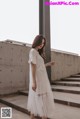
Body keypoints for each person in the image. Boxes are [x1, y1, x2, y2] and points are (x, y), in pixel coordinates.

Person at [27, 35, 55, 119]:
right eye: (41, 42)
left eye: (43, 43)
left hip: (42, 78)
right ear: (37, 41)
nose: (42, 44)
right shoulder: (32, 51)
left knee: (37, 100)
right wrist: (34, 82)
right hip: (38, 80)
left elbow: (40, 66)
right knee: (41, 101)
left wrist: (48, 64)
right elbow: (33, 66)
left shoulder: (36, 53)